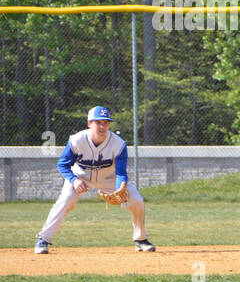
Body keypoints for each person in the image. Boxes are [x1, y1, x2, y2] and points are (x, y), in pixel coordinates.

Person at [34, 106, 155, 254]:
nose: (102, 126)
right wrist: (74, 180)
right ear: (89, 123)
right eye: (98, 122)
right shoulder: (77, 140)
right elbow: (63, 165)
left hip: (108, 178)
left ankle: (141, 239)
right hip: (81, 177)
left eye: (106, 122)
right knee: (66, 200)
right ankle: (43, 239)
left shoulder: (119, 144)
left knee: (136, 199)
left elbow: (121, 172)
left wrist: (119, 189)